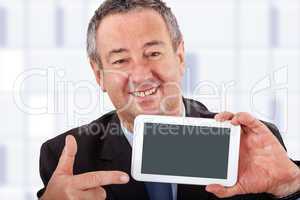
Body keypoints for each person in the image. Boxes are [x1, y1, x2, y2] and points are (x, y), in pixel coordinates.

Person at [38, 0, 300, 199]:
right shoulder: (67, 159)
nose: (140, 75)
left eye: (153, 53)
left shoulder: (250, 144)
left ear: (180, 56)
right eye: (120, 60)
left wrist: (291, 185)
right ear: (99, 75)